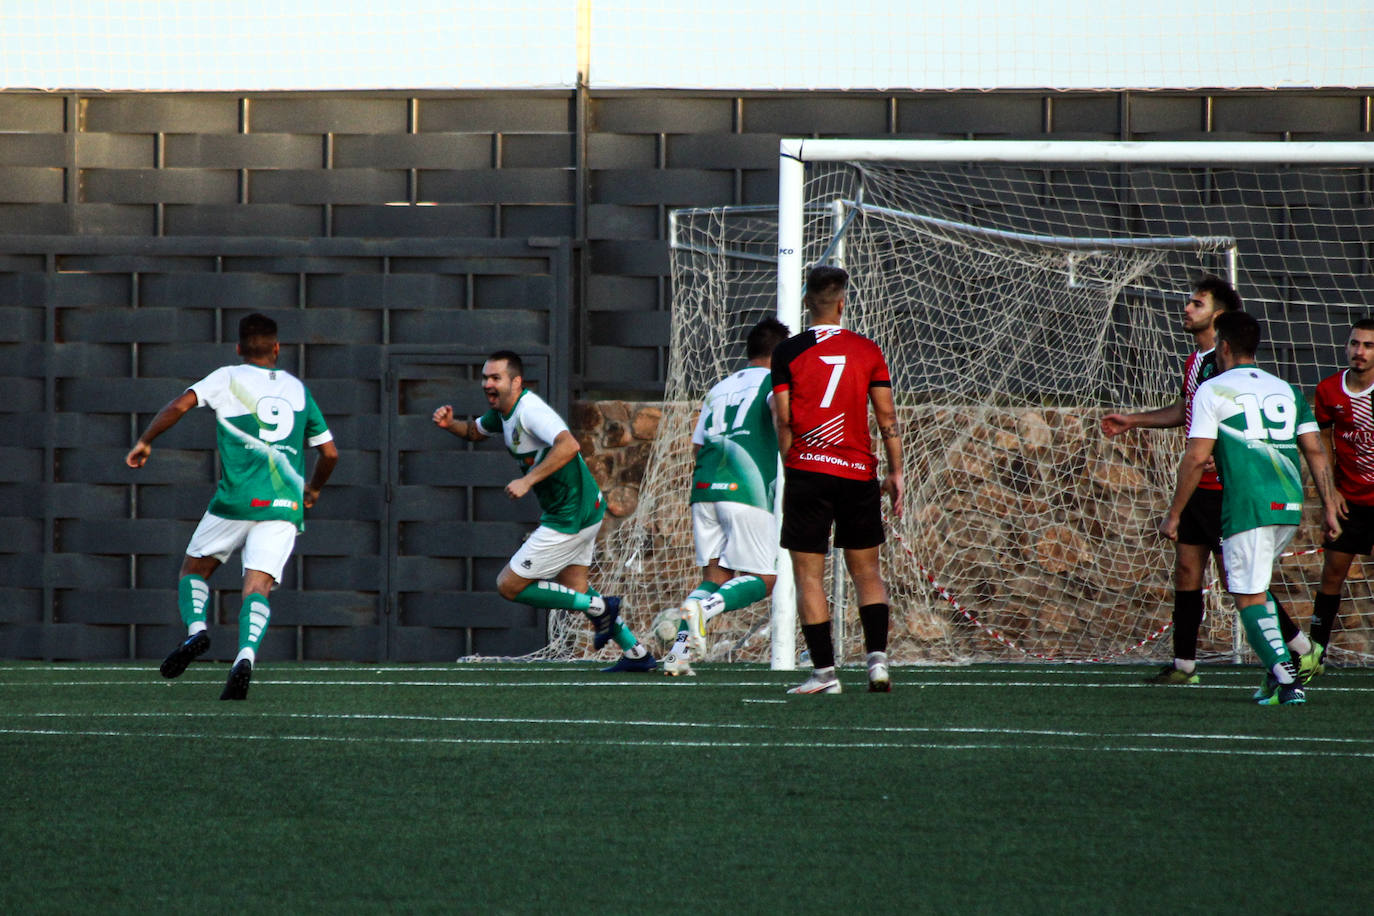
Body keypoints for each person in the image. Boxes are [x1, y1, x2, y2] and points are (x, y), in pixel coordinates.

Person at [1102, 276, 1314, 684]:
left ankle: (1301, 651)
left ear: (1219, 317)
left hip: (1230, 490)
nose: (1186, 308)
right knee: (1186, 568)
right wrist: (1134, 420)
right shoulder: (1195, 362)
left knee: (1241, 582)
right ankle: (1185, 665)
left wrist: (1219, 456)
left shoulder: (1232, 367)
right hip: (1200, 486)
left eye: (1196, 303)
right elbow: (1188, 411)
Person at [126, 313, 338, 700]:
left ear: (239, 349)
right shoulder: (297, 390)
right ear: (277, 348)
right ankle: (245, 657)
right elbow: (330, 453)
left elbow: (179, 405)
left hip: (236, 500)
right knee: (257, 586)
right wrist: (313, 489)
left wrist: (145, 440)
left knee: (194, 568)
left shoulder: (226, 377)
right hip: (283, 506)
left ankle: (197, 632)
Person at [1159, 311, 1341, 706]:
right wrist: (1328, 505)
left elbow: (1195, 458)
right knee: (1253, 587)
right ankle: (1277, 671)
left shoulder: (1214, 388)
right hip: (1288, 505)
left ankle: (1288, 678)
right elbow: (1314, 449)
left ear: (1223, 346)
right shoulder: (1286, 389)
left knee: (1245, 595)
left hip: (1248, 505)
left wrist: (1174, 513)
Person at [432, 351, 655, 672]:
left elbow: (569, 445)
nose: (487, 384)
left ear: (516, 382)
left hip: (570, 515)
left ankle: (601, 607)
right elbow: (473, 432)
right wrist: (450, 424)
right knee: (575, 589)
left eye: (495, 378)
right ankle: (636, 653)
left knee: (509, 585)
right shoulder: (502, 414)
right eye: (485, 378)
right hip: (581, 509)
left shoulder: (530, 411)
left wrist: (527, 480)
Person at [770, 265, 903, 694]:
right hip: (857, 471)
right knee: (867, 572)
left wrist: (793, 463)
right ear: (843, 304)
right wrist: (895, 471)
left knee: (809, 575)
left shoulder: (787, 352)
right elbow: (886, 417)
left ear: (806, 302)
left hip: (808, 471)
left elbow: (784, 418)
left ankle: (825, 674)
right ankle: (877, 664)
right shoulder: (868, 350)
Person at [662, 317, 791, 677]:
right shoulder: (773, 381)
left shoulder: (718, 388)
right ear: (781, 354)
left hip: (704, 488)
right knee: (765, 578)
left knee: (715, 576)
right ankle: (703, 612)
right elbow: (784, 417)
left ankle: (678, 654)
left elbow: (698, 444)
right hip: (747, 490)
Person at [1306, 318, 1374, 675]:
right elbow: (1322, 445)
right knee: (1332, 573)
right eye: (1355, 344)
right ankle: (1315, 653)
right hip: (1349, 501)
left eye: (1368, 345)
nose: (1359, 351)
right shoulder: (1329, 390)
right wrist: (1330, 496)